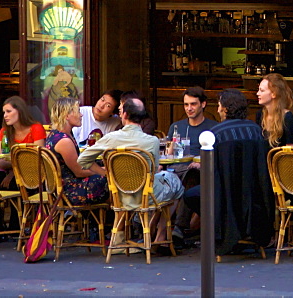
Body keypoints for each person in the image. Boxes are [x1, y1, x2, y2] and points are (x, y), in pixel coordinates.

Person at [181, 88, 273, 255]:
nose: (217, 109)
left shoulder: (215, 133)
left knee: (190, 194)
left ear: (226, 108)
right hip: (253, 195)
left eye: (219, 105)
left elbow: (210, 172)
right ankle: (243, 232)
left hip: (223, 195)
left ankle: (223, 231)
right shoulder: (256, 130)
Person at [78, 97, 182, 244]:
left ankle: (150, 233)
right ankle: (159, 235)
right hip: (146, 196)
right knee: (175, 182)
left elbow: (82, 160)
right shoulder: (152, 141)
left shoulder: (111, 138)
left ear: (124, 115)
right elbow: (153, 171)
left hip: (119, 195)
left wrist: (108, 175)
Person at [166, 87, 218, 244]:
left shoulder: (213, 127)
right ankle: (147, 228)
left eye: (193, 104)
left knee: (193, 175)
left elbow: (217, 155)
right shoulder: (177, 127)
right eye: (186, 104)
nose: (189, 108)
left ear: (203, 104)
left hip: (199, 171)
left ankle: (179, 228)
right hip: (175, 169)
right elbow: (169, 153)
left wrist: (200, 162)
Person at [44, 97, 107, 205]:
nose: (81, 115)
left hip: (65, 186)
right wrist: (104, 170)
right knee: (113, 178)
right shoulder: (64, 141)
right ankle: (121, 218)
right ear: (67, 115)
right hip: (71, 191)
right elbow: (79, 172)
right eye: (78, 111)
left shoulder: (56, 134)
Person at [0, 96, 46, 183]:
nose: (5, 115)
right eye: (4, 112)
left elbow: (37, 158)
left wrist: (13, 172)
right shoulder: (5, 131)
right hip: (10, 169)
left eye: (8, 111)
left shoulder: (36, 128)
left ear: (20, 111)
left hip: (33, 173)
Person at [256, 73, 293, 147]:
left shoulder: (287, 117)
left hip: (280, 158)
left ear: (274, 94)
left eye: (262, 90)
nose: (257, 93)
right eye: (258, 90)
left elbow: (291, 150)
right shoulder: (260, 114)